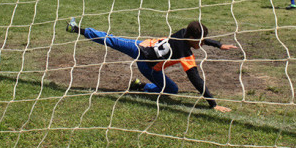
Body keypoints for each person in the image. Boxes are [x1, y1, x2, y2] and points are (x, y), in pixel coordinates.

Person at [65, 19, 237, 112]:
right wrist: (213, 104)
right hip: (147, 66)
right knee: (172, 90)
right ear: (192, 39)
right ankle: (143, 86)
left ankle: (77, 29)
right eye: (199, 41)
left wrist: (218, 45)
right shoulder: (186, 55)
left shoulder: (183, 33)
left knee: (111, 40)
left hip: (142, 46)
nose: (201, 43)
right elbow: (196, 80)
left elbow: (199, 37)